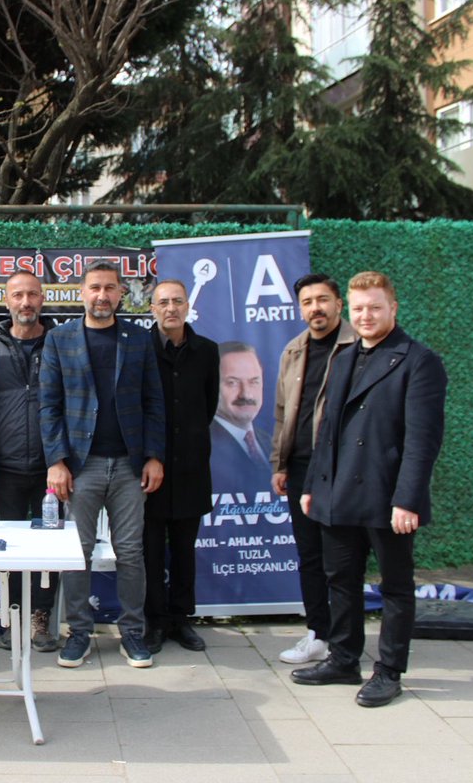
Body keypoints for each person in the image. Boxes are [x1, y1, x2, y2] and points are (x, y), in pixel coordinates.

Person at [293, 271, 447, 708]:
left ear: (392, 308)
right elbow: (328, 432)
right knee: (340, 580)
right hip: (338, 492)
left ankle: (389, 671)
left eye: (374, 307)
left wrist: (408, 499)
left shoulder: (419, 361)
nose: (365, 316)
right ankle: (344, 659)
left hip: (387, 495)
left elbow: (422, 441)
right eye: (359, 308)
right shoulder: (343, 359)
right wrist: (313, 485)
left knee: (395, 587)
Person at [40, 260, 166, 669]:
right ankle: (78, 632)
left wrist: (154, 456)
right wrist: (57, 461)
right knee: (76, 553)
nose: (102, 295)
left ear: (120, 293)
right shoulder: (59, 339)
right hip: (81, 466)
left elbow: (154, 402)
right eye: (95, 287)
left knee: (131, 551)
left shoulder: (138, 339)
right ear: (82, 292)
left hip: (130, 465)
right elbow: (49, 405)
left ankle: (132, 632)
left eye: (110, 288)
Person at [270, 273, 356, 665]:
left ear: (338, 303)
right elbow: (282, 412)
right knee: (310, 556)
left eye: (322, 300)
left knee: (343, 558)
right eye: (307, 302)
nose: (315, 308)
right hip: (301, 467)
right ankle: (318, 635)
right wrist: (280, 463)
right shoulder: (294, 350)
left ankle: (346, 641)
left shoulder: (359, 346)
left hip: (344, 469)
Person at [0, 270, 58, 652]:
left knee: (49, 547)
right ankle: (12, 619)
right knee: (9, 547)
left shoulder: (59, 342)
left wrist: (62, 458)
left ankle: (40, 620)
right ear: (7, 300)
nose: (25, 302)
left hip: (52, 466)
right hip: (6, 465)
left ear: (41, 299)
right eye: (18, 295)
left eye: (32, 295)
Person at [143, 279, 219, 655]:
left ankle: (181, 619)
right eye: (163, 302)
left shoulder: (207, 351)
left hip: (190, 467)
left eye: (177, 301)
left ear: (188, 306)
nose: (171, 308)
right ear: (152, 309)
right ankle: (155, 621)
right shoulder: (140, 349)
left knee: (185, 549)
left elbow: (209, 404)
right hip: (149, 469)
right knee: (151, 550)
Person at [210, 342, 273, 495]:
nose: (246, 394)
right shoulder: (202, 444)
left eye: (254, 382)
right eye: (232, 383)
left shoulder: (270, 442)